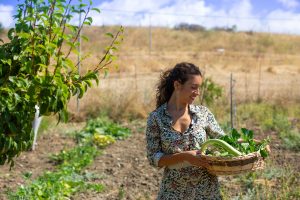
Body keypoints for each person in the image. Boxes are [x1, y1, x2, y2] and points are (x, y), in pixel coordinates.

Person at [145, 62, 225, 200]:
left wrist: (254, 144)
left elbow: (225, 141)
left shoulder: (203, 114)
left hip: (206, 192)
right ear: (177, 85)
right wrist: (185, 157)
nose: (197, 92)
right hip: (173, 193)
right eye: (193, 87)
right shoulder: (156, 118)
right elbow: (154, 158)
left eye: (199, 88)